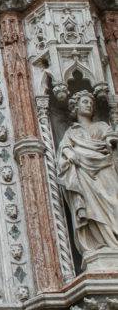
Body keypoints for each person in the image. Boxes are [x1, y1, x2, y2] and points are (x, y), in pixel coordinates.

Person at [57, 90, 118, 255]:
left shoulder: (101, 126)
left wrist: (110, 141)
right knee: (92, 209)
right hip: (84, 174)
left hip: (105, 170)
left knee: (113, 202)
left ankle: (114, 241)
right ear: (75, 107)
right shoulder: (72, 133)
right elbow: (64, 149)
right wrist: (70, 154)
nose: (89, 104)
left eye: (90, 102)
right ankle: (100, 244)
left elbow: (111, 140)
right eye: (84, 102)